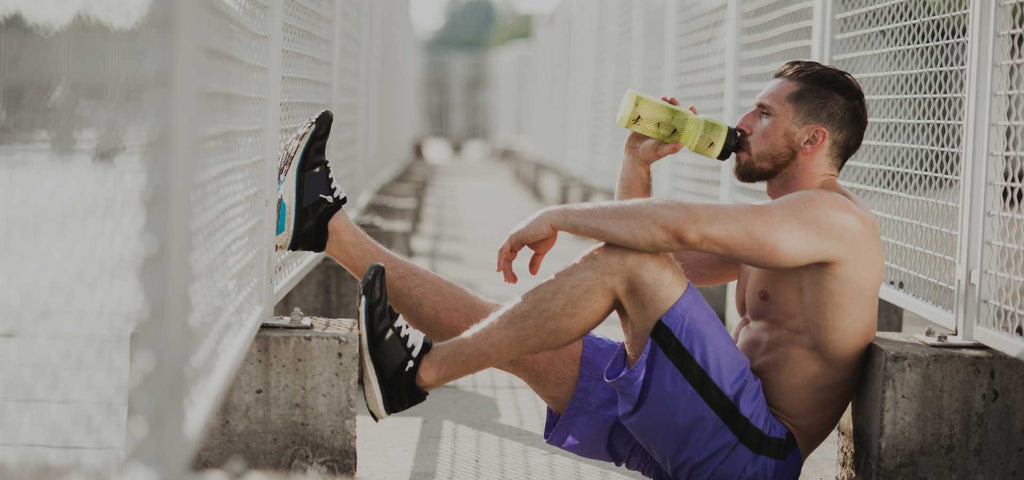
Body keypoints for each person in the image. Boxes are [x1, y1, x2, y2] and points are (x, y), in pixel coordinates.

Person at [274, 60, 883, 480]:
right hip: (709, 420)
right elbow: (655, 259)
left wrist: (559, 215)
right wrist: (636, 164)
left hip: (754, 453)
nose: (742, 125)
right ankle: (324, 229)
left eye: (763, 113)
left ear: (811, 139)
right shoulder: (784, 226)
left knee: (614, 277)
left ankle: (419, 374)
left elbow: (673, 235)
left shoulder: (836, 221)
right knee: (502, 329)